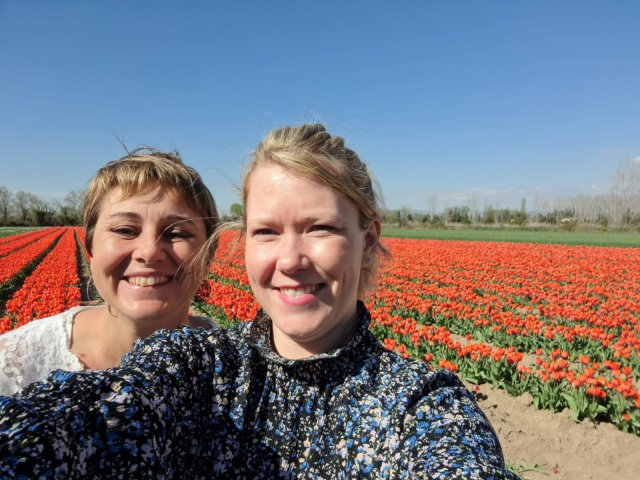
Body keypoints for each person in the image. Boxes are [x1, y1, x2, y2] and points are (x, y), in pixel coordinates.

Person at [0, 125, 519, 479]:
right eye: (267, 231)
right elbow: (85, 422)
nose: (291, 259)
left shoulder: (421, 407)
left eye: (319, 227)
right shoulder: (201, 365)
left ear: (368, 237)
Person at [0, 149, 219, 395]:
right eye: (125, 230)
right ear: (90, 246)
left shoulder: (237, 366)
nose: (148, 251)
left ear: (208, 253)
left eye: (177, 233)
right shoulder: (15, 367)